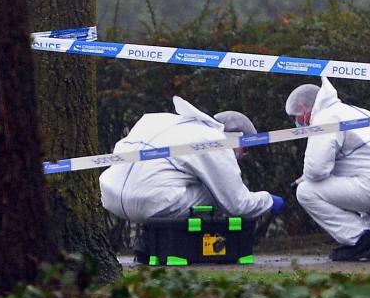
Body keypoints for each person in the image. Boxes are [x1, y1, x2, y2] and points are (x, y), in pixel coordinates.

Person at [285, 77, 370, 261]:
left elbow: (316, 170)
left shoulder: (325, 118)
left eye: (296, 117)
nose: (297, 122)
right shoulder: (358, 111)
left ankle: (361, 240)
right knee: (360, 178)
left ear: (303, 109)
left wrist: (306, 178)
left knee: (306, 191)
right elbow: (357, 162)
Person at [99, 96, 283, 225]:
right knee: (218, 195)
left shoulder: (158, 120)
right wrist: (269, 201)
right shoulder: (215, 141)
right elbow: (237, 204)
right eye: (245, 149)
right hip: (149, 202)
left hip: (109, 194)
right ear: (236, 138)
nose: (242, 156)